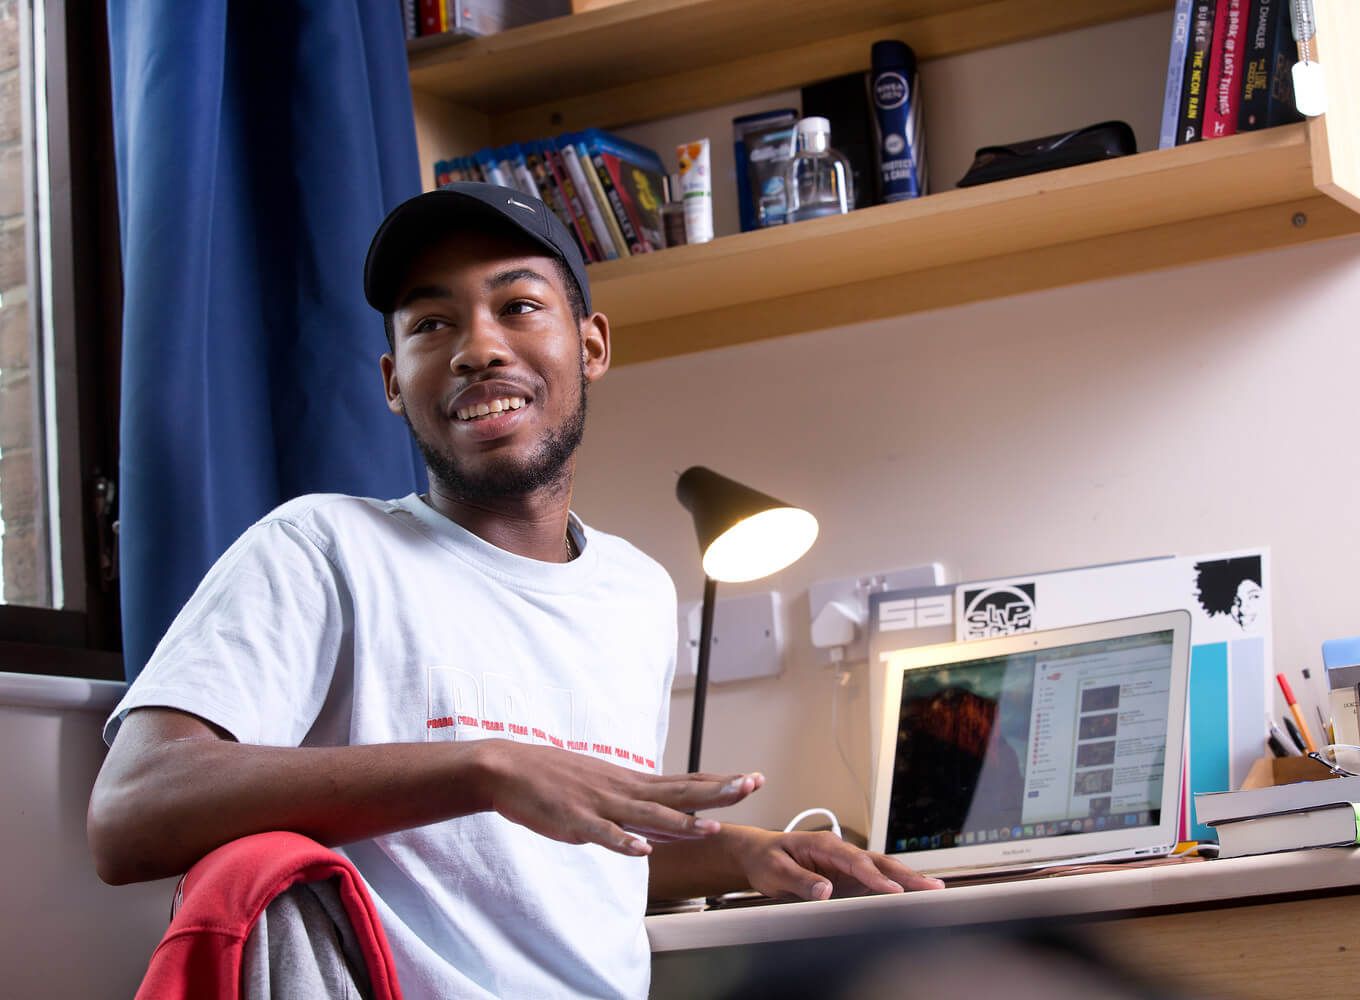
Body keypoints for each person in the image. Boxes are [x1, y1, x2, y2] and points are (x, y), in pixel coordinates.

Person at [87, 183, 942, 998]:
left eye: (519, 306)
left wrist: (746, 851)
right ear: (393, 381)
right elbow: (129, 812)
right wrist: (487, 767)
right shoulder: (321, 548)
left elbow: (557, 869)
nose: (477, 347)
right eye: (432, 323)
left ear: (593, 344)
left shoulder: (635, 593)